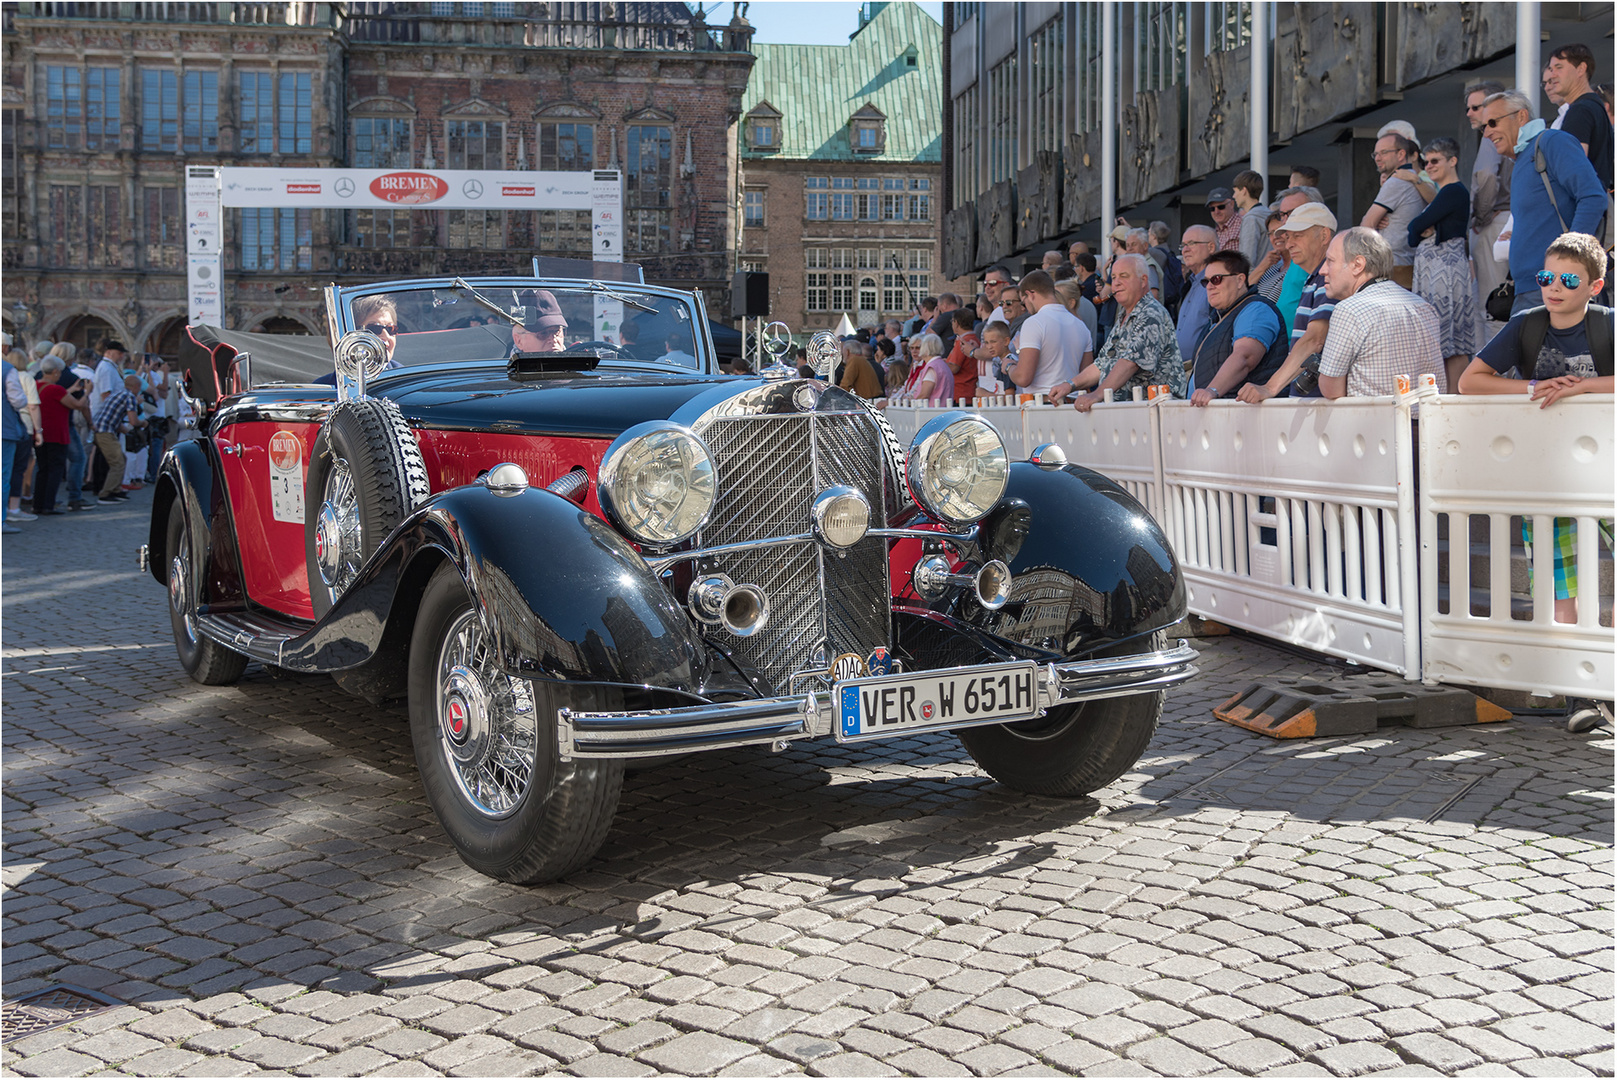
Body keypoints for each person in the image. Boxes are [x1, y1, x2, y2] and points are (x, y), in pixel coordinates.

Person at [1458, 232, 1612, 628]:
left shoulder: (1608, 325)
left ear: (1595, 287)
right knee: (1558, 584)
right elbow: (1470, 381)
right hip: (1547, 472)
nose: (1555, 288)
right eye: (1547, 278)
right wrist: (1530, 387)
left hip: (1609, 469)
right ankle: (1569, 680)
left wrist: (1588, 385)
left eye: (1569, 280)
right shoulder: (1526, 324)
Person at [1479, 90, 1607, 317]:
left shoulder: (1551, 142)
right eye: (1483, 127)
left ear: (1521, 116)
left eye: (1492, 122)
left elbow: (1592, 196)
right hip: (1533, 288)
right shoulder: (1522, 158)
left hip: (1555, 288)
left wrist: (1569, 259)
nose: (1487, 132)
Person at [1317, 227, 1446, 397]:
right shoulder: (1424, 307)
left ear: (1358, 265)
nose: (1322, 270)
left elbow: (1331, 390)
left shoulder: (1349, 311)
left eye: (1330, 261)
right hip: (1427, 421)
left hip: (1374, 421)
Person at [1237, 201, 1338, 402]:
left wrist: (1269, 388)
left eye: (1298, 236)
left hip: (1321, 402)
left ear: (1325, 236)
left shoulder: (1329, 279)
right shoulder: (1315, 279)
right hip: (1313, 400)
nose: (1289, 243)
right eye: (1288, 237)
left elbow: (1314, 340)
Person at [1062, 254, 1186, 409]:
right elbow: (1102, 364)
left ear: (1143, 281)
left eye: (1124, 276)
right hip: (1131, 415)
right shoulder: (1124, 316)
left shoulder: (1151, 314)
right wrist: (1070, 385)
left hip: (1153, 415)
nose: (1117, 283)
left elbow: (1130, 363)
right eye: (1113, 277)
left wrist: (1097, 394)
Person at [1406, 138, 1480, 392]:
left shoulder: (1453, 191)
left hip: (1445, 273)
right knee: (1447, 341)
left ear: (1453, 161)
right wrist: (1421, 228)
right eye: (1426, 162)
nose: (1430, 166)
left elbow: (1414, 228)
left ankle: (1453, 401)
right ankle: (1451, 401)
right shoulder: (1444, 194)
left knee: (1451, 341)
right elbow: (1416, 231)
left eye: (1435, 160)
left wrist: (1423, 227)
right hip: (1439, 272)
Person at [1187, 250, 1288, 405]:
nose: (1209, 287)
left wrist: (1212, 390)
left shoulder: (1256, 310)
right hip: (1218, 416)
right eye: (1205, 281)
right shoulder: (1217, 319)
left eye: (1216, 279)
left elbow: (1245, 356)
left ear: (1240, 280)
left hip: (1244, 418)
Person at [1465, 81, 1513, 328]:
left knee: (1492, 306)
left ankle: (1494, 368)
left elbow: (1486, 175)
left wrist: (1480, 217)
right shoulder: (1503, 135)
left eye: (1476, 107)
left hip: (1494, 221)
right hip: (1503, 220)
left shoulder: (1490, 134)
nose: (1469, 113)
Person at [1005, 270, 1090, 399]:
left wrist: (1008, 366)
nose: (1025, 308)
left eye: (1023, 302)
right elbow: (1086, 377)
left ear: (1030, 294)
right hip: (1073, 403)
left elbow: (1023, 378)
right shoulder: (1081, 325)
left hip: (1042, 402)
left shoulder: (1033, 323)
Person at [1360, 132, 1425, 288]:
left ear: (1401, 154)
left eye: (1384, 152)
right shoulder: (1416, 179)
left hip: (1394, 268)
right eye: (1375, 154)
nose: (1377, 158)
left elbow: (1366, 226)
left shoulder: (1396, 182)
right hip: (1410, 266)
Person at [1545, 44, 1612, 192]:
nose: (1552, 75)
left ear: (1581, 69)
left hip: (1582, 208)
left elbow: (1572, 170)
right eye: (1551, 69)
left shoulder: (1580, 111)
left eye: (1559, 67)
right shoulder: (1594, 106)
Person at [31, 357, 87, 515]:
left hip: (41, 432)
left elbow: (55, 397)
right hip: (56, 434)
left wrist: (71, 390)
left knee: (43, 469)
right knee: (55, 470)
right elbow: (77, 405)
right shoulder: (56, 389)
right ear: (55, 371)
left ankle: (38, 504)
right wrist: (86, 392)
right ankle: (48, 504)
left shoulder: (37, 386)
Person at [92, 374, 147, 503]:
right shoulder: (130, 397)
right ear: (137, 386)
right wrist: (144, 423)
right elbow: (134, 421)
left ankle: (116, 490)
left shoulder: (117, 394)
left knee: (119, 459)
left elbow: (114, 418)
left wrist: (126, 431)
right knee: (118, 462)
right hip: (106, 432)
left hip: (99, 429)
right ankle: (106, 493)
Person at [1175, 225, 1218, 367]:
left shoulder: (1217, 282)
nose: (1185, 250)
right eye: (1183, 245)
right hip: (1184, 369)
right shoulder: (1191, 283)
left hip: (1203, 367)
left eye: (1192, 243)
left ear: (1211, 247)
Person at [1232, 169, 1271, 269]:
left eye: (1235, 191)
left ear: (1244, 191)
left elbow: (1247, 258)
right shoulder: (1270, 215)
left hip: (1257, 279)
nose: (1234, 196)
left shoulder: (1251, 218)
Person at [903, 333, 953, 406]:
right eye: (912, 348)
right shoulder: (942, 364)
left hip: (932, 412)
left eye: (919, 347)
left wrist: (911, 405)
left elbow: (924, 395)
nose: (914, 351)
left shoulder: (932, 367)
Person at [943, 308, 980, 395]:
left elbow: (954, 368)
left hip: (961, 391)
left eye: (952, 321)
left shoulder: (962, 341)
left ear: (956, 323)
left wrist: (939, 363)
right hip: (970, 389)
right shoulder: (975, 339)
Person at [1207, 187, 1242, 251]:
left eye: (1221, 207)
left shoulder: (1243, 225)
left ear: (1231, 204)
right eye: (1212, 209)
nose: (1216, 212)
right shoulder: (1213, 233)